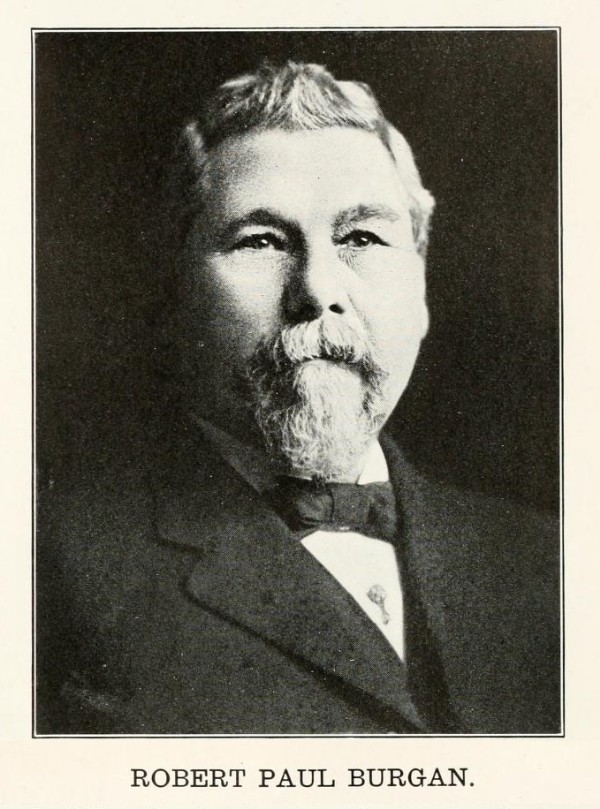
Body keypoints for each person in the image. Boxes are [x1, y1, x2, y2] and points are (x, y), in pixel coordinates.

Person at [36, 61, 560, 735]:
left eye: (362, 238)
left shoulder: (550, 561)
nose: (317, 289)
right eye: (261, 241)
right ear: (174, 294)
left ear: (422, 289)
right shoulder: (48, 572)